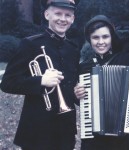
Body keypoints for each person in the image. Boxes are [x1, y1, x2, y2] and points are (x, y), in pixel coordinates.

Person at [0, 0, 80, 149]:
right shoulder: (30, 44)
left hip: (65, 130)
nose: (63, 19)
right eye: (58, 13)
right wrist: (40, 81)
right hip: (36, 130)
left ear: (73, 19)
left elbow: (71, 88)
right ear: (47, 14)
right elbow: (7, 83)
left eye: (68, 15)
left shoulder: (73, 49)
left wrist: (78, 94)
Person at [74, 15, 129, 150]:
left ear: (112, 37)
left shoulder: (127, 61)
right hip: (95, 138)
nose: (101, 42)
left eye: (105, 37)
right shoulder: (85, 67)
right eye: (95, 37)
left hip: (124, 138)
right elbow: (83, 101)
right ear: (89, 39)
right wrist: (77, 95)